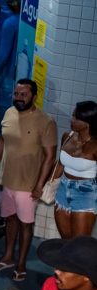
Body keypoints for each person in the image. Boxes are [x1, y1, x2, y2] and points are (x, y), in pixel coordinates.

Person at [0, 79, 56, 282]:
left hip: (27, 186)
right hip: (7, 181)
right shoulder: (9, 113)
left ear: (34, 96)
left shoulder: (45, 122)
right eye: (16, 94)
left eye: (23, 94)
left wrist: (39, 185)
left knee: (25, 225)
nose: (18, 98)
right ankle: (8, 257)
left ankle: (21, 264)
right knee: (9, 220)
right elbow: (2, 141)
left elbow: (50, 157)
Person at [54, 101, 97, 239]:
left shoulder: (95, 145)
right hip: (63, 189)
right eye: (72, 115)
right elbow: (60, 164)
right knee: (66, 239)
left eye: (75, 117)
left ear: (87, 123)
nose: (71, 119)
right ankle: (64, 261)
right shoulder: (67, 136)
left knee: (79, 243)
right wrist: (44, 186)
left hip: (86, 193)